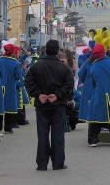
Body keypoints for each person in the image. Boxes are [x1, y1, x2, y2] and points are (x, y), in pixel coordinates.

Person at [25, 40, 74, 171]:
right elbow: (70, 84)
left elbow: (28, 81)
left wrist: (38, 94)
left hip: (42, 104)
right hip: (58, 104)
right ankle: (58, 163)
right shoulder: (64, 67)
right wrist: (57, 95)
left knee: (42, 134)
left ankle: (42, 164)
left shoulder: (36, 66)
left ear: (45, 50)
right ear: (58, 51)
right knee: (58, 134)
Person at [0, 44, 22, 134]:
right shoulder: (15, 63)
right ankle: (8, 128)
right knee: (10, 107)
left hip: (0, 85)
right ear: (13, 52)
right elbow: (18, 76)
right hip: (10, 86)